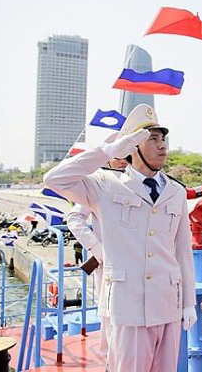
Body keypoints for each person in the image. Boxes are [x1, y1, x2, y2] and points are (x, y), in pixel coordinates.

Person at [44, 104, 197, 372]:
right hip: (129, 306)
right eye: (153, 139)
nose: (163, 146)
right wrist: (107, 151)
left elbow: (183, 250)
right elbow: (54, 179)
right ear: (132, 147)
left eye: (163, 139)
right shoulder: (103, 184)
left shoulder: (176, 191)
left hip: (168, 303)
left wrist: (188, 302)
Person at [65, 134, 129, 363]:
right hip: (108, 261)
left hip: (131, 261)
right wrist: (96, 247)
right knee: (109, 313)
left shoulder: (135, 182)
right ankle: (110, 361)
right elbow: (74, 218)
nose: (123, 161)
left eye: (127, 156)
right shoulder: (98, 182)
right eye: (118, 156)